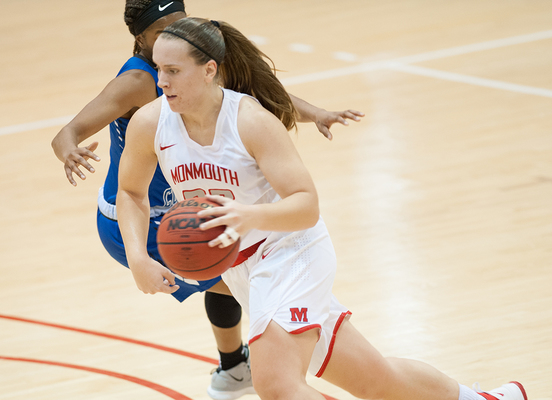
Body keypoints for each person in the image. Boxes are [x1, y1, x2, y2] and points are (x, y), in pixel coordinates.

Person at [116, 16, 528, 400]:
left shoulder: (250, 121)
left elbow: (306, 205)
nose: (162, 81)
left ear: (209, 70)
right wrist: (137, 257)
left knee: (277, 384)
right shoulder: (150, 123)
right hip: (242, 269)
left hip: (290, 251)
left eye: (174, 71)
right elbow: (131, 192)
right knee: (377, 380)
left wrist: (247, 215)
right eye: (159, 69)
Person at [51, 1, 364, 399]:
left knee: (283, 359)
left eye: (180, 23)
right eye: (163, 33)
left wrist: (315, 112)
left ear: (209, 68)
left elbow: (261, 93)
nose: (176, 34)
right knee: (229, 280)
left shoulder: (209, 80)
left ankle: (235, 366)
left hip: (218, 219)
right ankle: (236, 365)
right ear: (143, 39)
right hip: (147, 220)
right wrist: (71, 152)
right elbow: (92, 157)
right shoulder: (144, 87)